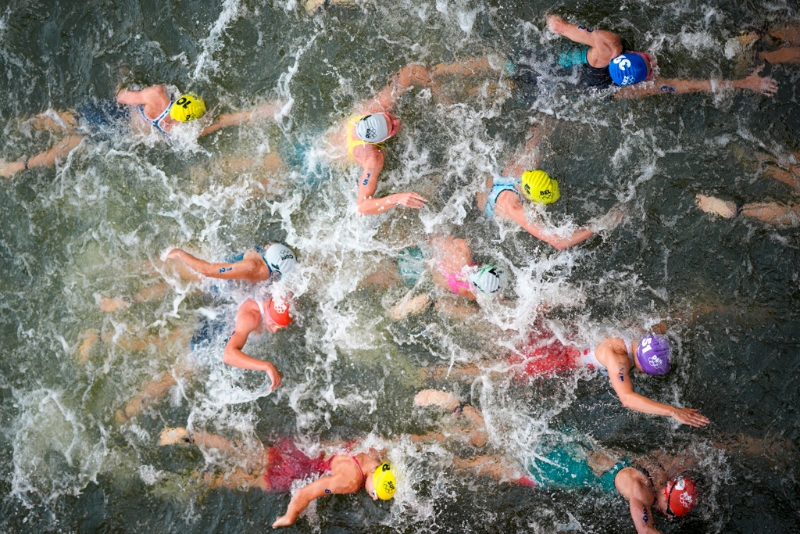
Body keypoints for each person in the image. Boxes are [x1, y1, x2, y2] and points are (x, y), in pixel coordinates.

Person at [426, 325, 710, 427]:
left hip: (560, 336)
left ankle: (440, 366)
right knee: (499, 372)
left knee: (501, 353)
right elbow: (627, 398)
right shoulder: (618, 360)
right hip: (556, 359)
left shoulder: (637, 334)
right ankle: (436, 373)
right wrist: (673, 411)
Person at [0, 85, 285, 177]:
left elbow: (122, 97)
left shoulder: (157, 95)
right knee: (72, 145)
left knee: (65, 119)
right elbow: (227, 120)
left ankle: (21, 124)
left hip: (115, 115)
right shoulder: (184, 134)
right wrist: (269, 110)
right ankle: (18, 166)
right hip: (120, 138)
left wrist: (122, 83)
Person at [157, 426, 397, 529]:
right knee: (245, 479)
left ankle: (189, 436)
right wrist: (289, 517)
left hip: (299, 450)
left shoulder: (375, 451)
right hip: (294, 473)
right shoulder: (351, 480)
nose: (374, 498)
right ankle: (203, 481)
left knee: (240, 450)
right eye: (377, 493)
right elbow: (305, 492)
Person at [111, 295, 293, 422]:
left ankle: (108, 338)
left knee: (159, 343)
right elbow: (228, 355)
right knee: (173, 377)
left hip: (214, 321)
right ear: (268, 310)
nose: (275, 329)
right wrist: (267, 366)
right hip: (209, 342)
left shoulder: (274, 296)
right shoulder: (251, 318)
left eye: (280, 326)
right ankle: (128, 410)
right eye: (273, 323)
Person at [544, 15, 778, 97]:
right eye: (650, 67)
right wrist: (744, 83)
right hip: (561, 72)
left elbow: (557, 25)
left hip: (560, 69)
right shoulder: (624, 89)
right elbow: (689, 85)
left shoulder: (606, 48)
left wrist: (554, 23)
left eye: (647, 60)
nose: (654, 62)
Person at [476, 124, 624, 250]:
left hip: (494, 179)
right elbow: (558, 242)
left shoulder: (525, 163)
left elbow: (540, 128)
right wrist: (601, 224)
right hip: (484, 205)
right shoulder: (514, 207)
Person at [327, 65, 430, 215]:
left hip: (326, 142)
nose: (397, 122)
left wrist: (436, 89)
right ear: (377, 141)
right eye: (392, 129)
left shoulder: (373, 109)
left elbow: (410, 70)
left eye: (389, 118)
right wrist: (398, 198)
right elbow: (361, 206)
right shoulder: (373, 158)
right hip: (322, 167)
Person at [360, 234, 503, 320]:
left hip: (419, 257)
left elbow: (435, 238)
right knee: (376, 277)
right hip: (414, 277)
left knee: (377, 253)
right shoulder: (470, 293)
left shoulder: (463, 252)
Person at [166, 242, 298, 284]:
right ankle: (164, 262)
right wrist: (180, 254)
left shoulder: (276, 250)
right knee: (182, 275)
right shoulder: (253, 268)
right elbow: (207, 271)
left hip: (236, 266)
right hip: (221, 282)